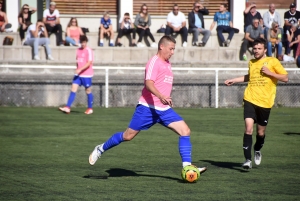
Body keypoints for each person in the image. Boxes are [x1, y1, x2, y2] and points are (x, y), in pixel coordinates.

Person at [88, 35, 207, 174]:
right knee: (128, 136)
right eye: (171, 49)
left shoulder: (167, 63)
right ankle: (100, 149)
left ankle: (187, 167)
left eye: (174, 49)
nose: (172, 52)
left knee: (185, 131)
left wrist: (164, 98)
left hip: (164, 109)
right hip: (147, 108)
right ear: (162, 46)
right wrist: (161, 96)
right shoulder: (154, 62)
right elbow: (148, 83)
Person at [224, 38, 288, 169]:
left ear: (265, 50)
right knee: (248, 128)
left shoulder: (273, 61)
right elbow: (250, 77)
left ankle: (257, 149)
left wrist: (270, 73)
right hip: (250, 99)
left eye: (259, 49)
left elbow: (285, 78)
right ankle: (247, 160)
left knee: (260, 133)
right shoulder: (251, 62)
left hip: (265, 102)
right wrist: (234, 80)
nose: (256, 51)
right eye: (255, 48)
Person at [59, 35, 94, 115]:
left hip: (86, 74)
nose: (83, 44)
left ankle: (90, 108)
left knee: (88, 90)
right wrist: (77, 69)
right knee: (73, 88)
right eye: (82, 43)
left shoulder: (89, 50)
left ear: (86, 42)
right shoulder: (78, 50)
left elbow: (89, 63)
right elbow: (78, 61)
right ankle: (67, 107)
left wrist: (80, 69)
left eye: (84, 42)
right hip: (78, 74)